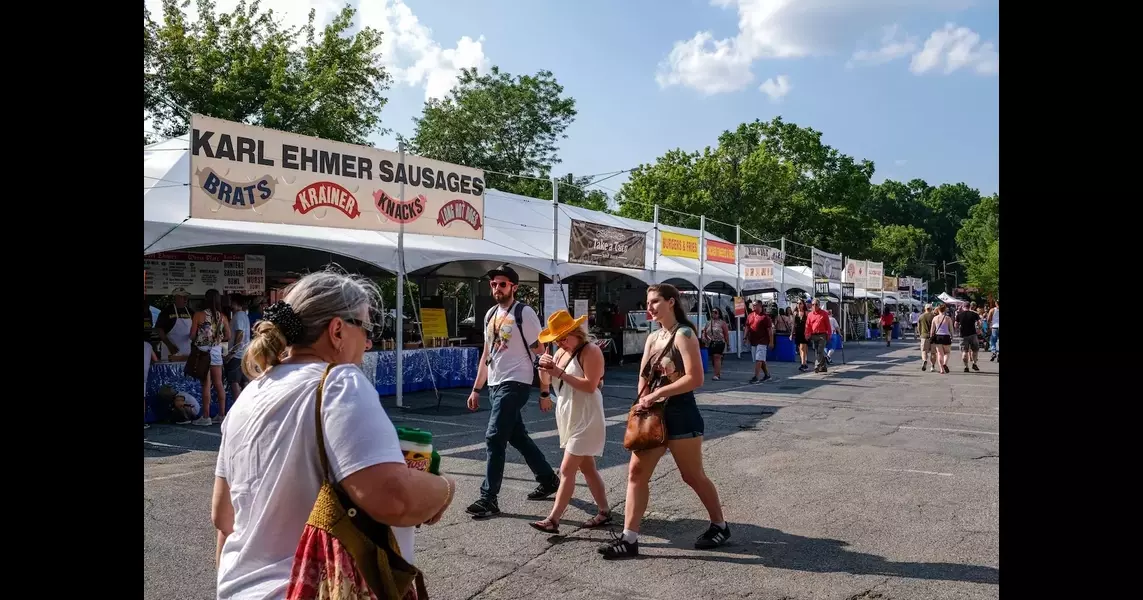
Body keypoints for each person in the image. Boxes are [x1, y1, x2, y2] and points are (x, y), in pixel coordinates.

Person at [212, 270, 455, 599]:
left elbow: (224, 518)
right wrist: (446, 488)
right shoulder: (340, 382)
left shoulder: (250, 394)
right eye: (365, 328)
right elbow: (395, 499)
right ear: (337, 330)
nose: (368, 341)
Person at [599, 283, 729, 560]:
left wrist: (658, 393)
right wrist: (642, 399)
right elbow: (644, 375)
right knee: (636, 473)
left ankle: (720, 524)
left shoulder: (684, 333)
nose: (650, 307)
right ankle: (629, 538)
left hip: (681, 413)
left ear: (672, 302)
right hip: (653, 415)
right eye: (648, 302)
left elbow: (695, 378)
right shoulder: (652, 337)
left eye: (656, 301)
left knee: (692, 476)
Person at [465, 264, 560, 519]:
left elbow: (541, 353)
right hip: (495, 384)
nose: (497, 288)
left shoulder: (524, 313)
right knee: (517, 437)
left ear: (514, 287)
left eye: (502, 284)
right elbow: (487, 355)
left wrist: (544, 390)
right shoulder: (490, 315)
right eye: (494, 284)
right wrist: (476, 389)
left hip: (516, 383)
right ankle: (549, 479)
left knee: (494, 437)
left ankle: (489, 498)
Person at [529, 310, 611, 534]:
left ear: (577, 333)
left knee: (566, 469)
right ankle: (604, 511)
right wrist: (544, 371)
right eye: (557, 340)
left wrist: (558, 372)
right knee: (588, 468)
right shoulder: (559, 354)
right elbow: (547, 382)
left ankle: (553, 519)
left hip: (587, 415)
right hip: (569, 414)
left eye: (564, 338)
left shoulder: (590, 351)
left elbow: (590, 386)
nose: (561, 343)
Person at [191, 289, 230, 426]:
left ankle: (206, 416)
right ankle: (222, 415)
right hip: (216, 351)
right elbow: (228, 336)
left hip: (203, 352)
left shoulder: (198, 315)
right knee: (218, 383)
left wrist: (202, 339)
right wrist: (217, 339)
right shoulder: (222, 317)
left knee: (206, 384)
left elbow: (192, 335)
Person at [744, 301, 773, 383]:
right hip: (753, 341)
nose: (753, 307)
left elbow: (770, 330)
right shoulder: (750, 316)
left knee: (758, 359)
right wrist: (745, 337)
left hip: (762, 341)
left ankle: (756, 377)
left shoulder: (765, 317)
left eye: (755, 305)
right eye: (752, 305)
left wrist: (771, 342)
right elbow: (747, 327)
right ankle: (767, 375)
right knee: (760, 359)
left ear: (760, 306)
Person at [702, 307, 730, 381]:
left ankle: (716, 375)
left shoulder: (722, 323)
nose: (714, 314)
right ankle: (718, 372)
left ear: (719, 314)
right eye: (712, 312)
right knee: (713, 360)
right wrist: (704, 337)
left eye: (715, 312)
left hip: (720, 342)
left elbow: (726, 334)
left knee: (717, 357)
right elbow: (704, 331)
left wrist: (728, 344)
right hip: (711, 343)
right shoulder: (708, 323)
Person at [806, 298, 833, 373]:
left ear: (819, 305)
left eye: (816, 304)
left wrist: (829, 334)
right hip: (813, 335)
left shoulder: (824, 313)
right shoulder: (810, 315)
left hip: (822, 335)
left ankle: (816, 365)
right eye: (813, 305)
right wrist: (807, 334)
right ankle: (823, 366)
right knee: (816, 351)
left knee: (820, 350)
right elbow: (808, 325)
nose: (814, 306)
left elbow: (828, 325)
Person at [957, 301, 982, 372]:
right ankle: (974, 363)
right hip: (973, 334)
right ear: (969, 306)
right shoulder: (974, 314)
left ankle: (966, 366)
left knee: (964, 351)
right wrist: (979, 329)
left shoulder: (959, 315)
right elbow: (979, 322)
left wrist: (959, 327)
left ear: (963, 306)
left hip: (963, 335)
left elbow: (955, 325)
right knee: (975, 350)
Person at [929, 304, 954, 374]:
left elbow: (932, 330)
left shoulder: (935, 318)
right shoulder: (948, 318)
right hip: (946, 336)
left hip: (938, 337)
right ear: (945, 309)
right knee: (947, 352)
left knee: (939, 354)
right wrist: (952, 336)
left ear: (938, 310)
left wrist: (931, 337)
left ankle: (941, 369)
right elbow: (951, 329)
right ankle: (945, 363)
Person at [791, 300, 810, 372]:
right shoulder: (795, 313)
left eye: (800, 303)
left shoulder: (806, 313)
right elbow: (793, 324)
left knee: (803, 347)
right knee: (801, 348)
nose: (799, 305)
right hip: (798, 332)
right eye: (797, 303)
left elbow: (808, 324)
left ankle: (803, 363)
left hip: (804, 332)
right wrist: (791, 333)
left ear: (803, 305)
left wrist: (808, 332)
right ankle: (804, 363)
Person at [917, 304, 935, 372]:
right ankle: (932, 366)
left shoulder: (921, 316)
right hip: (933, 337)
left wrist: (920, 334)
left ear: (925, 309)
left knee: (924, 351)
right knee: (933, 353)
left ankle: (925, 360)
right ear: (931, 309)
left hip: (924, 336)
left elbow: (919, 327)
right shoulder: (934, 316)